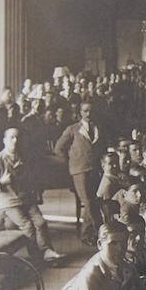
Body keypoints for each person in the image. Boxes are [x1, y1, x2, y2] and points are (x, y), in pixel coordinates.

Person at [0, 127, 64, 264]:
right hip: (8, 202)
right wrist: (1, 182)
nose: (15, 141)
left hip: (25, 198)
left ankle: (47, 251)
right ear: (4, 141)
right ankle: (36, 258)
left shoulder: (23, 158)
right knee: (28, 226)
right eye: (12, 138)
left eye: (18, 138)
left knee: (41, 222)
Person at [54, 101, 105, 245]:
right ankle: (101, 232)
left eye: (90, 111)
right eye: (85, 111)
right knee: (88, 201)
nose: (88, 114)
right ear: (80, 113)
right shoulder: (73, 129)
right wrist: (71, 162)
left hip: (95, 169)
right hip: (79, 171)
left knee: (93, 201)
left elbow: (103, 148)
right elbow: (58, 148)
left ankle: (87, 235)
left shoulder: (98, 128)